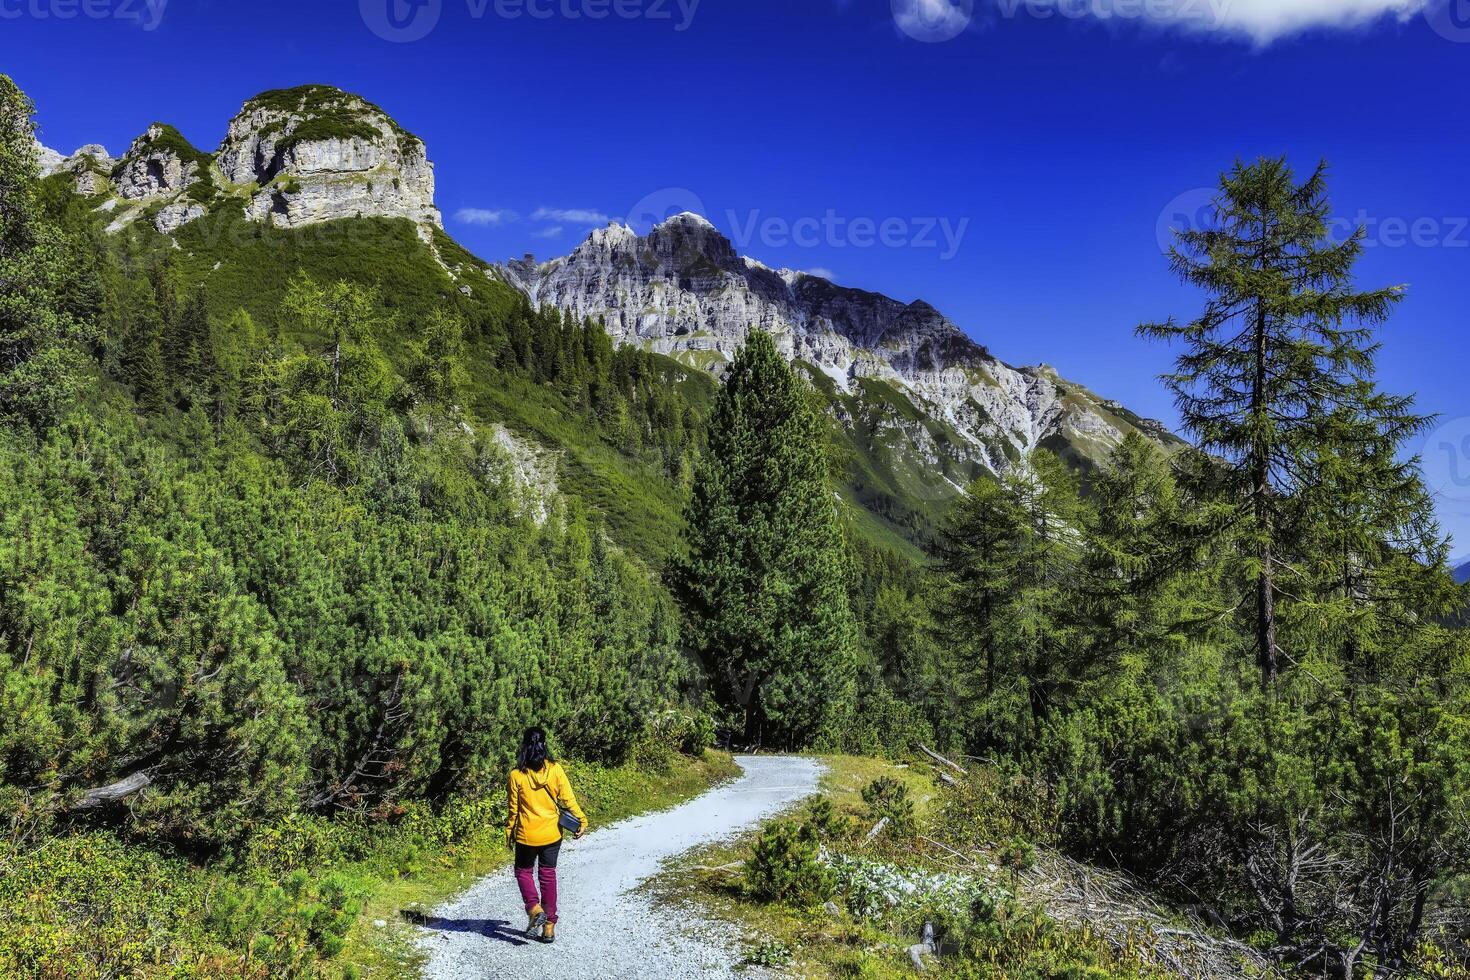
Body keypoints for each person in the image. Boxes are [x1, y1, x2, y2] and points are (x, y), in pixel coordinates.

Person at [506, 726, 587, 943]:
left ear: (524, 746)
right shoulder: (555, 769)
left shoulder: (516, 775)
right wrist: (582, 819)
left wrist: (508, 831)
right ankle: (549, 926)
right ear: (544, 744)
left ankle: (534, 909)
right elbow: (569, 799)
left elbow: (513, 810)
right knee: (547, 875)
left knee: (523, 872)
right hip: (552, 835)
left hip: (526, 835)